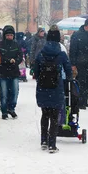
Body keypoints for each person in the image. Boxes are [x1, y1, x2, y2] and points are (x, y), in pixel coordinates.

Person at [34, 25, 72, 153]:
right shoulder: (61, 54)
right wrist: (69, 79)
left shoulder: (41, 53)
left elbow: (35, 70)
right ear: (58, 39)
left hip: (43, 87)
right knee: (55, 116)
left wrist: (41, 78)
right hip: (56, 87)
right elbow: (68, 70)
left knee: (45, 114)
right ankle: (52, 144)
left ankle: (43, 140)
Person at [69, 19, 88, 109]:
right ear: (86, 25)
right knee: (81, 81)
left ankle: (85, 100)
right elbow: (73, 50)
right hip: (80, 62)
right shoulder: (77, 35)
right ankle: (80, 101)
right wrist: (73, 63)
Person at [0, 25, 23, 119]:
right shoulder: (0, 45)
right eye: (7, 35)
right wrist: (8, 61)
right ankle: (4, 111)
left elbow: (20, 56)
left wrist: (16, 61)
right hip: (2, 72)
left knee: (15, 92)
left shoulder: (16, 45)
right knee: (4, 93)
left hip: (14, 72)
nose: (9, 37)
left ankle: (12, 108)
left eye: (11, 35)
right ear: (5, 36)